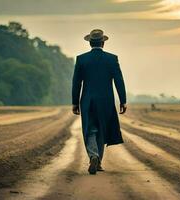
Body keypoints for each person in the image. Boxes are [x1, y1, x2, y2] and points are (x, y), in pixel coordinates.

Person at [72, 29, 127, 175]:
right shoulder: (112, 59)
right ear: (103, 43)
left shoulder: (81, 59)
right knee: (101, 129)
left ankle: (93, 156)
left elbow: (76, 83)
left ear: (90, 43)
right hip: (106, 101)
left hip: (88, 100)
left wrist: (75, 102)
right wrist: (123, 100)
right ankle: (98, 162)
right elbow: (119, 81)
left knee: (90, 130)